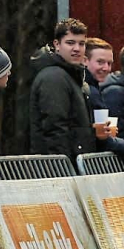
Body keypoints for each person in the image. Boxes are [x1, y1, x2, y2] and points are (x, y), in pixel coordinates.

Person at [29, 18, 98, 159]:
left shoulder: (71, 77)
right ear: (57, 44)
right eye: (70, 43)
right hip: (60, 169)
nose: (77, 49)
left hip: (71, 163)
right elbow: (54, 129)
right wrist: (62, 170)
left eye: (82, 43)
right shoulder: (54, 77)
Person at [83, 38, 114, 112]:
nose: (106, 68)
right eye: (100, 62)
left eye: (109, 63)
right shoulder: (90, 92)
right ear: (84, 61)